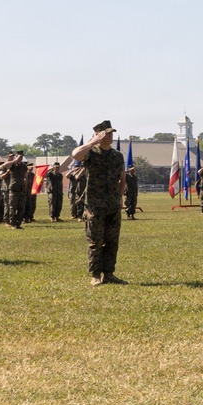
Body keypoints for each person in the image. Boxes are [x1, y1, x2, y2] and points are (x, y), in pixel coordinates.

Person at [72, 120, 126, 286]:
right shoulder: (91, 153)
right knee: (95, 241)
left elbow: (122, 178)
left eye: (111, 133)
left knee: (112, 241)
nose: (110, 136)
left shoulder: (117, 155)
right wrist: (92, 142)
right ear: (98, 135)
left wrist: (120, 197)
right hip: (95, 205)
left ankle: (109, 274)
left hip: (113, 205)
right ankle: (95, 275)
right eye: (106, 133)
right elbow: (75, 155)